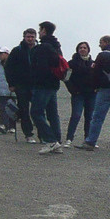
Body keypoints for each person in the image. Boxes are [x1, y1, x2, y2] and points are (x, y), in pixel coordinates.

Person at [81, 38, 110, 151]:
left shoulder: (103, 55)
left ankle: (90, 142)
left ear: (106, 43)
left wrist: (95, 87)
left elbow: (95, 73)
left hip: (105, 90)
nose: (99, 45)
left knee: (97, 117)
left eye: (101, 43)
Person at [29, 20, 67, 153]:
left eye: (40, 30)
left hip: (42, 84)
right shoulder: (56, 46)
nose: (38, 32)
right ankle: (57, 141)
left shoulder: (43, 47)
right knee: (52, 113)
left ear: (44, 30)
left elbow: (40, 67)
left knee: (36, 112)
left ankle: (51, 141)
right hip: (53, 84)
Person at [4, 27, 38, 141]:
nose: (30, 39)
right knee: (24, 110)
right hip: (21, 85)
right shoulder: (17, 50)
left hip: (36, 85)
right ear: (24, 37)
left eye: (32, 37)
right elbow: (8, 68)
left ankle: (42, 133)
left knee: (38, 110)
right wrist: (11, 83)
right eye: (28, 37)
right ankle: (28, 134)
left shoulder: (39, 49)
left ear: (35, 37)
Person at [64, 41, 95, 144]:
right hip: (78, 94)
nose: (82, 49)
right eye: (80, 48)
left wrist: (96, 88)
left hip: (91, 94)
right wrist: (72, 90)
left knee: (89, 117)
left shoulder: (93, 63)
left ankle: (88, 139)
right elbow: (66, 78)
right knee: (76, 115)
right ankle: (69, 138)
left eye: (84, 48)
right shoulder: (72, 63)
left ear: (88, 50)